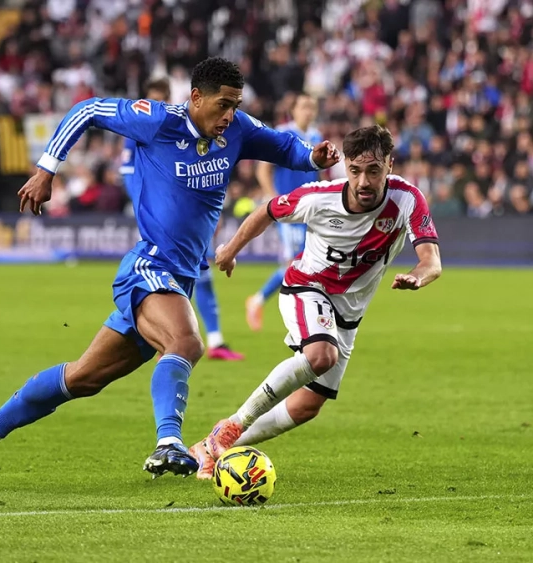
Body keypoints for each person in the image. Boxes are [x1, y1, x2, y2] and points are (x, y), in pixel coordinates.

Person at [0, 57, 340, 485]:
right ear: (195, 97)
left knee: (83, 378)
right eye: (222, 104)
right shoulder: (157, 122)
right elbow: (86, 110)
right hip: (148, 266)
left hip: (180, 279)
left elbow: (283, 146)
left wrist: (311, 155)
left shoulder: (238, 130)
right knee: (186, 342)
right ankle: (168, 442)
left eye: (235, 104)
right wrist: (47, 170)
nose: (229, 114)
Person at [189, 125, 442, 478]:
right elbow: (267, 211)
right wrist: (230, 250)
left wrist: (419, 275)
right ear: (345, 168)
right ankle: (231, 426)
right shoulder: (318, 197)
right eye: (355, 170)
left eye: (374, 170)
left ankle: (212, 448)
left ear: (390, 165)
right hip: (307, 288)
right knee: (321, 355)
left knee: (308, 405)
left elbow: (432, 260)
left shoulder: (407, 198)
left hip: (348, 315)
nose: (364, 181)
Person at [120, 77, 244, 361]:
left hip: (187, 221)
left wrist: (210, 216)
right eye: (152, 100)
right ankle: (181, 338)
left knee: (202, 274)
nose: (157, 105)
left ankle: (211, 340)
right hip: (157, 220)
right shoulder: (140, 129)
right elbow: (128, 174)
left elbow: (206, 174)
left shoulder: (184, 127)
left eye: (162, 99)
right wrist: (150, 210)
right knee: (181, 276)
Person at [247, 93, 324, 331]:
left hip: (310, 209)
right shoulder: (283, 134)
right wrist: (273, 197)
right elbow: (263, 170)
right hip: (290, 210)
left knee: (308, 260)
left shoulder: (316, 136)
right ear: (294, 110)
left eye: (311, 107)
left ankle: (300, 309)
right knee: (294, 262)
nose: (308, 111)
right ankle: (260, 301)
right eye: (303, 106)